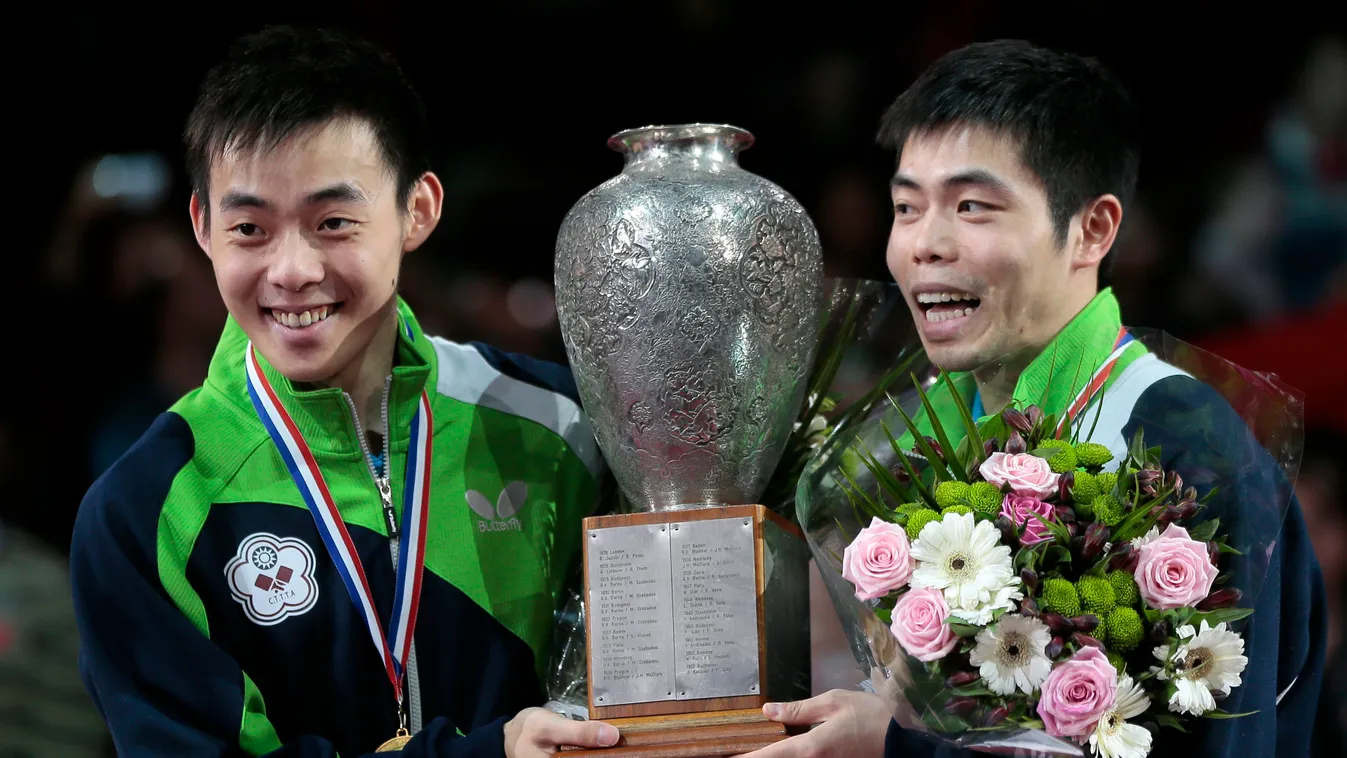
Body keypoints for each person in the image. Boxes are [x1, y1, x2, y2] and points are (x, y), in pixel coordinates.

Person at [748, 40, 1327, 757]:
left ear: (1091, 229)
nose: (924, 243)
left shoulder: (1185, 451)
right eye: (905, 205)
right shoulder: (905, 437)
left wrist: (897, 752)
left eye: (971, 205)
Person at [70, 25, 620, 758]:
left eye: (333, 223)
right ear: (203, 227)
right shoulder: (146, 510)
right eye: (250, 228)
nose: (291, 269)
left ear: (417, 211)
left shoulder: (562, 429)